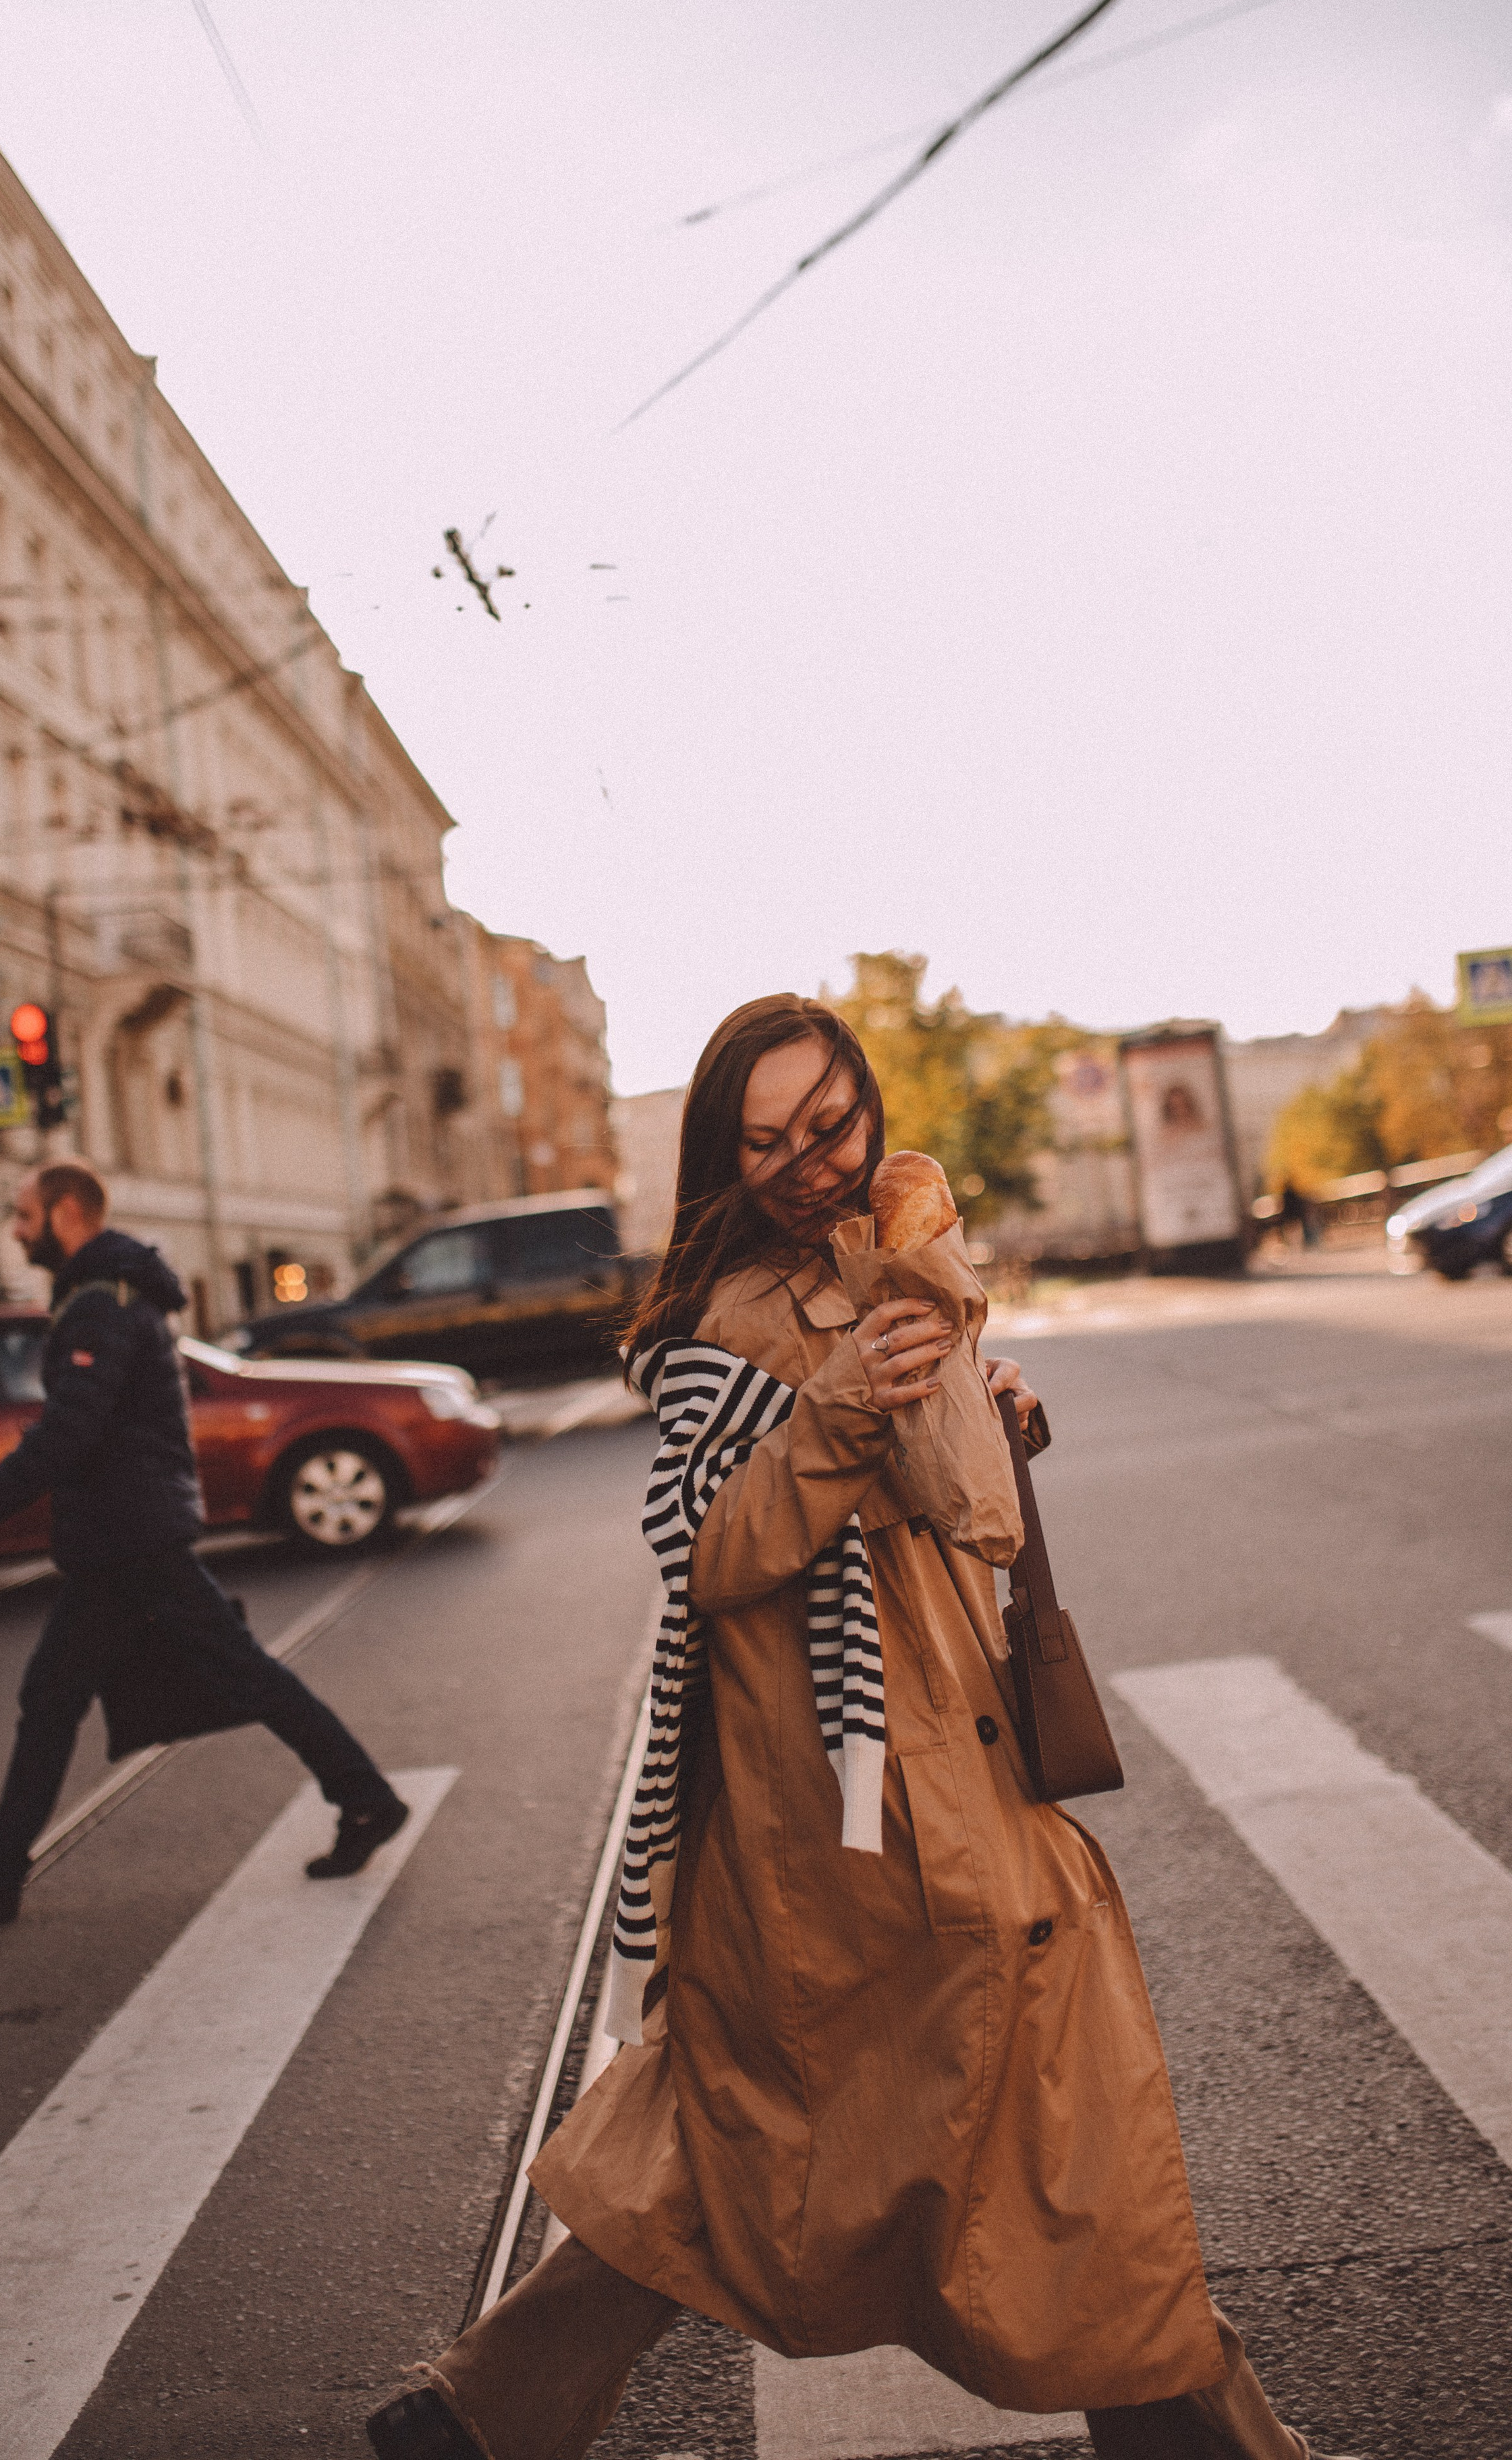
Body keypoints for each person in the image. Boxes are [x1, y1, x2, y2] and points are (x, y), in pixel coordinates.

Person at [367, 998, 1359, 2460]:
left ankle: (470, 2426)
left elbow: (961, 1512)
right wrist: (842, 1414)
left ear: (866, 1103)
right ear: (721, 1150)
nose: (806, 1161)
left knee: (738, 2132)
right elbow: (705, 1546)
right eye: (764, 1138)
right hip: (867, 1807)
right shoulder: (736, 1323)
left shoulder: (869, 1266)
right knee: (1057, 2140)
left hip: (914, 1773)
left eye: (827, 1124)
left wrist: (984, 1406)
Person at [0, 1159, 406, 1926]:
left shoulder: (102, 1303)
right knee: (55, 1695)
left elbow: (71, 1430)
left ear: (68, 1212)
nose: (16, 1227)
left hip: (130, 1535)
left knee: (237, 1675)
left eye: (25, 1214)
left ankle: (365, 1798)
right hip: (122, 1535)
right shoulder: (99, 1293)